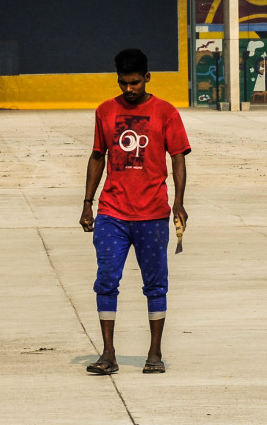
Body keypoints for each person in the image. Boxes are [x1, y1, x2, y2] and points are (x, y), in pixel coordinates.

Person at [79, 47, 190, 376]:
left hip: (153, 213)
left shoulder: (166, 113)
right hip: (112, 213)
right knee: (106, 281)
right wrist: (88, 202)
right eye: (123, 83)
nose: (128, 89)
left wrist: (179, 202)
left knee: (156, 284)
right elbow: (97, 156)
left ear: (147, 77)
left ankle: (154, 353)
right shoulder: (104, 111)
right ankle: (108, 352)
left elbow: (178, 158)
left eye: (134, 83)